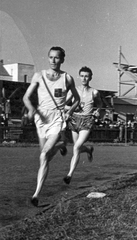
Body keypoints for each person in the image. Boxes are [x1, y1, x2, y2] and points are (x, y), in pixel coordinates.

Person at [23, 46, 80, 206]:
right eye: (50, 57)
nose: (53, 60)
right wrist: (31, 108)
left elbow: (76, 99)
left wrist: (69, 112)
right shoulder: (39, 76)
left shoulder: (67, 78)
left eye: (56, 57)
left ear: (62, 59)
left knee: (43, 155)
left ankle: (36, 195)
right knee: (45, 157)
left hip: (57, 118)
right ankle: (61, 144)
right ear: (48, 58)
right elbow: (26, 97)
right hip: (41, 118)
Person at [63, 66, 102, 185]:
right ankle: (89, 150)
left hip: (87, 120)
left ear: (90, 77)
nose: (84, 78)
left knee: (76, 148)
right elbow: (63, 105)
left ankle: (69, 175)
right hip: (74, 120)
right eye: (82, 76)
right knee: (77, 147)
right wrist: (72, 107)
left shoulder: (94, 92)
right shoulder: (73, 90)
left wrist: (98, 110)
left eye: (86, 76)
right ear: (79, 77)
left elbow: (99, 104)